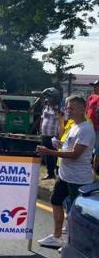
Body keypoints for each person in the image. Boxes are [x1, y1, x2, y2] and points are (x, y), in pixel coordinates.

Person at [36, 96, 96, 249]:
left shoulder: (86, 128)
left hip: (79, 179)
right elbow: (70, 145)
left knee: (77, 213)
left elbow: (76, 154)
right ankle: (56, 237)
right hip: (65, 175)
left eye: (72, 108)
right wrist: (60, 144)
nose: (68, 110)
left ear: (82, 109)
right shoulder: (74, 125)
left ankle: (73, 243)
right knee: (56, 201)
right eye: (68, 107)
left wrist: (50, 151)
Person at [40, 98, 59, 179]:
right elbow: (42, 119)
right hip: (45, 135)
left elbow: (61, 120)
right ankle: (50, 173)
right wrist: (40, 130)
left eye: (49, 99)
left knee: (54, 155)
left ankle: (56, 173)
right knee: (47, 155)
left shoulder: (58, 109)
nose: (47, 100)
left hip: (53, 135)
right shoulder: (45, 108)